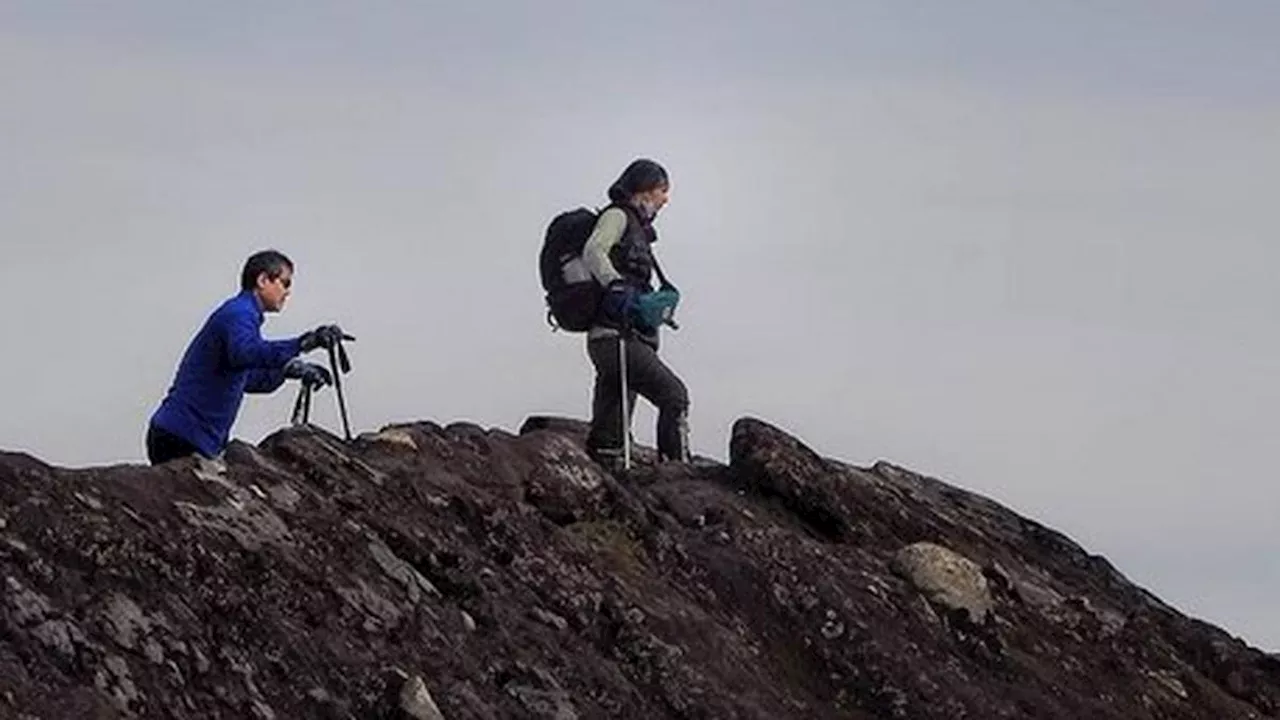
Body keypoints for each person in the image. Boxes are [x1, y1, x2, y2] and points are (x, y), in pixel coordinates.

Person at [145, 249, 346, 465]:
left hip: (183, 436)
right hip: (182, 438)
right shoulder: (239, 313)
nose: (288, 292)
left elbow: (246, 378)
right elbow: (246, 353)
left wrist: (289, 370)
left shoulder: (242, 314)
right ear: (262, 280)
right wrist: (304, 343)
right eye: (285, 282)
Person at [581, 159, 690, 468]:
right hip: (616, 336)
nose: (665, 199)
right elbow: (594, 250)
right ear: (643, 190)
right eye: (661, 190)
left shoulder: (638, 229)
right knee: (674, 396)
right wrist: (614, 284)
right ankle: (677, 471)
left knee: (610, 431)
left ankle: (607, 470)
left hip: (617, 337)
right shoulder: (618, 216)